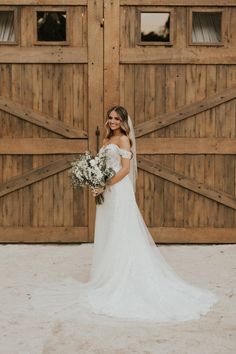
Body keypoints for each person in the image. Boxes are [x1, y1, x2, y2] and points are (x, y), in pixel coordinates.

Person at [30, 106, 218, 323]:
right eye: (110, 118)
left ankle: (123, 278)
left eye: (116, 119)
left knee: (121, 233)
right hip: (107, 193)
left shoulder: (124, 140)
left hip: (118, 191)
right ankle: (107, 276)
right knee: (109, 232)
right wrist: (95, 181)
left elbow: (125, 169)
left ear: (123, 121)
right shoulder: (108, 139)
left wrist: (105, 184)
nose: (112, 121)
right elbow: (102, 165)